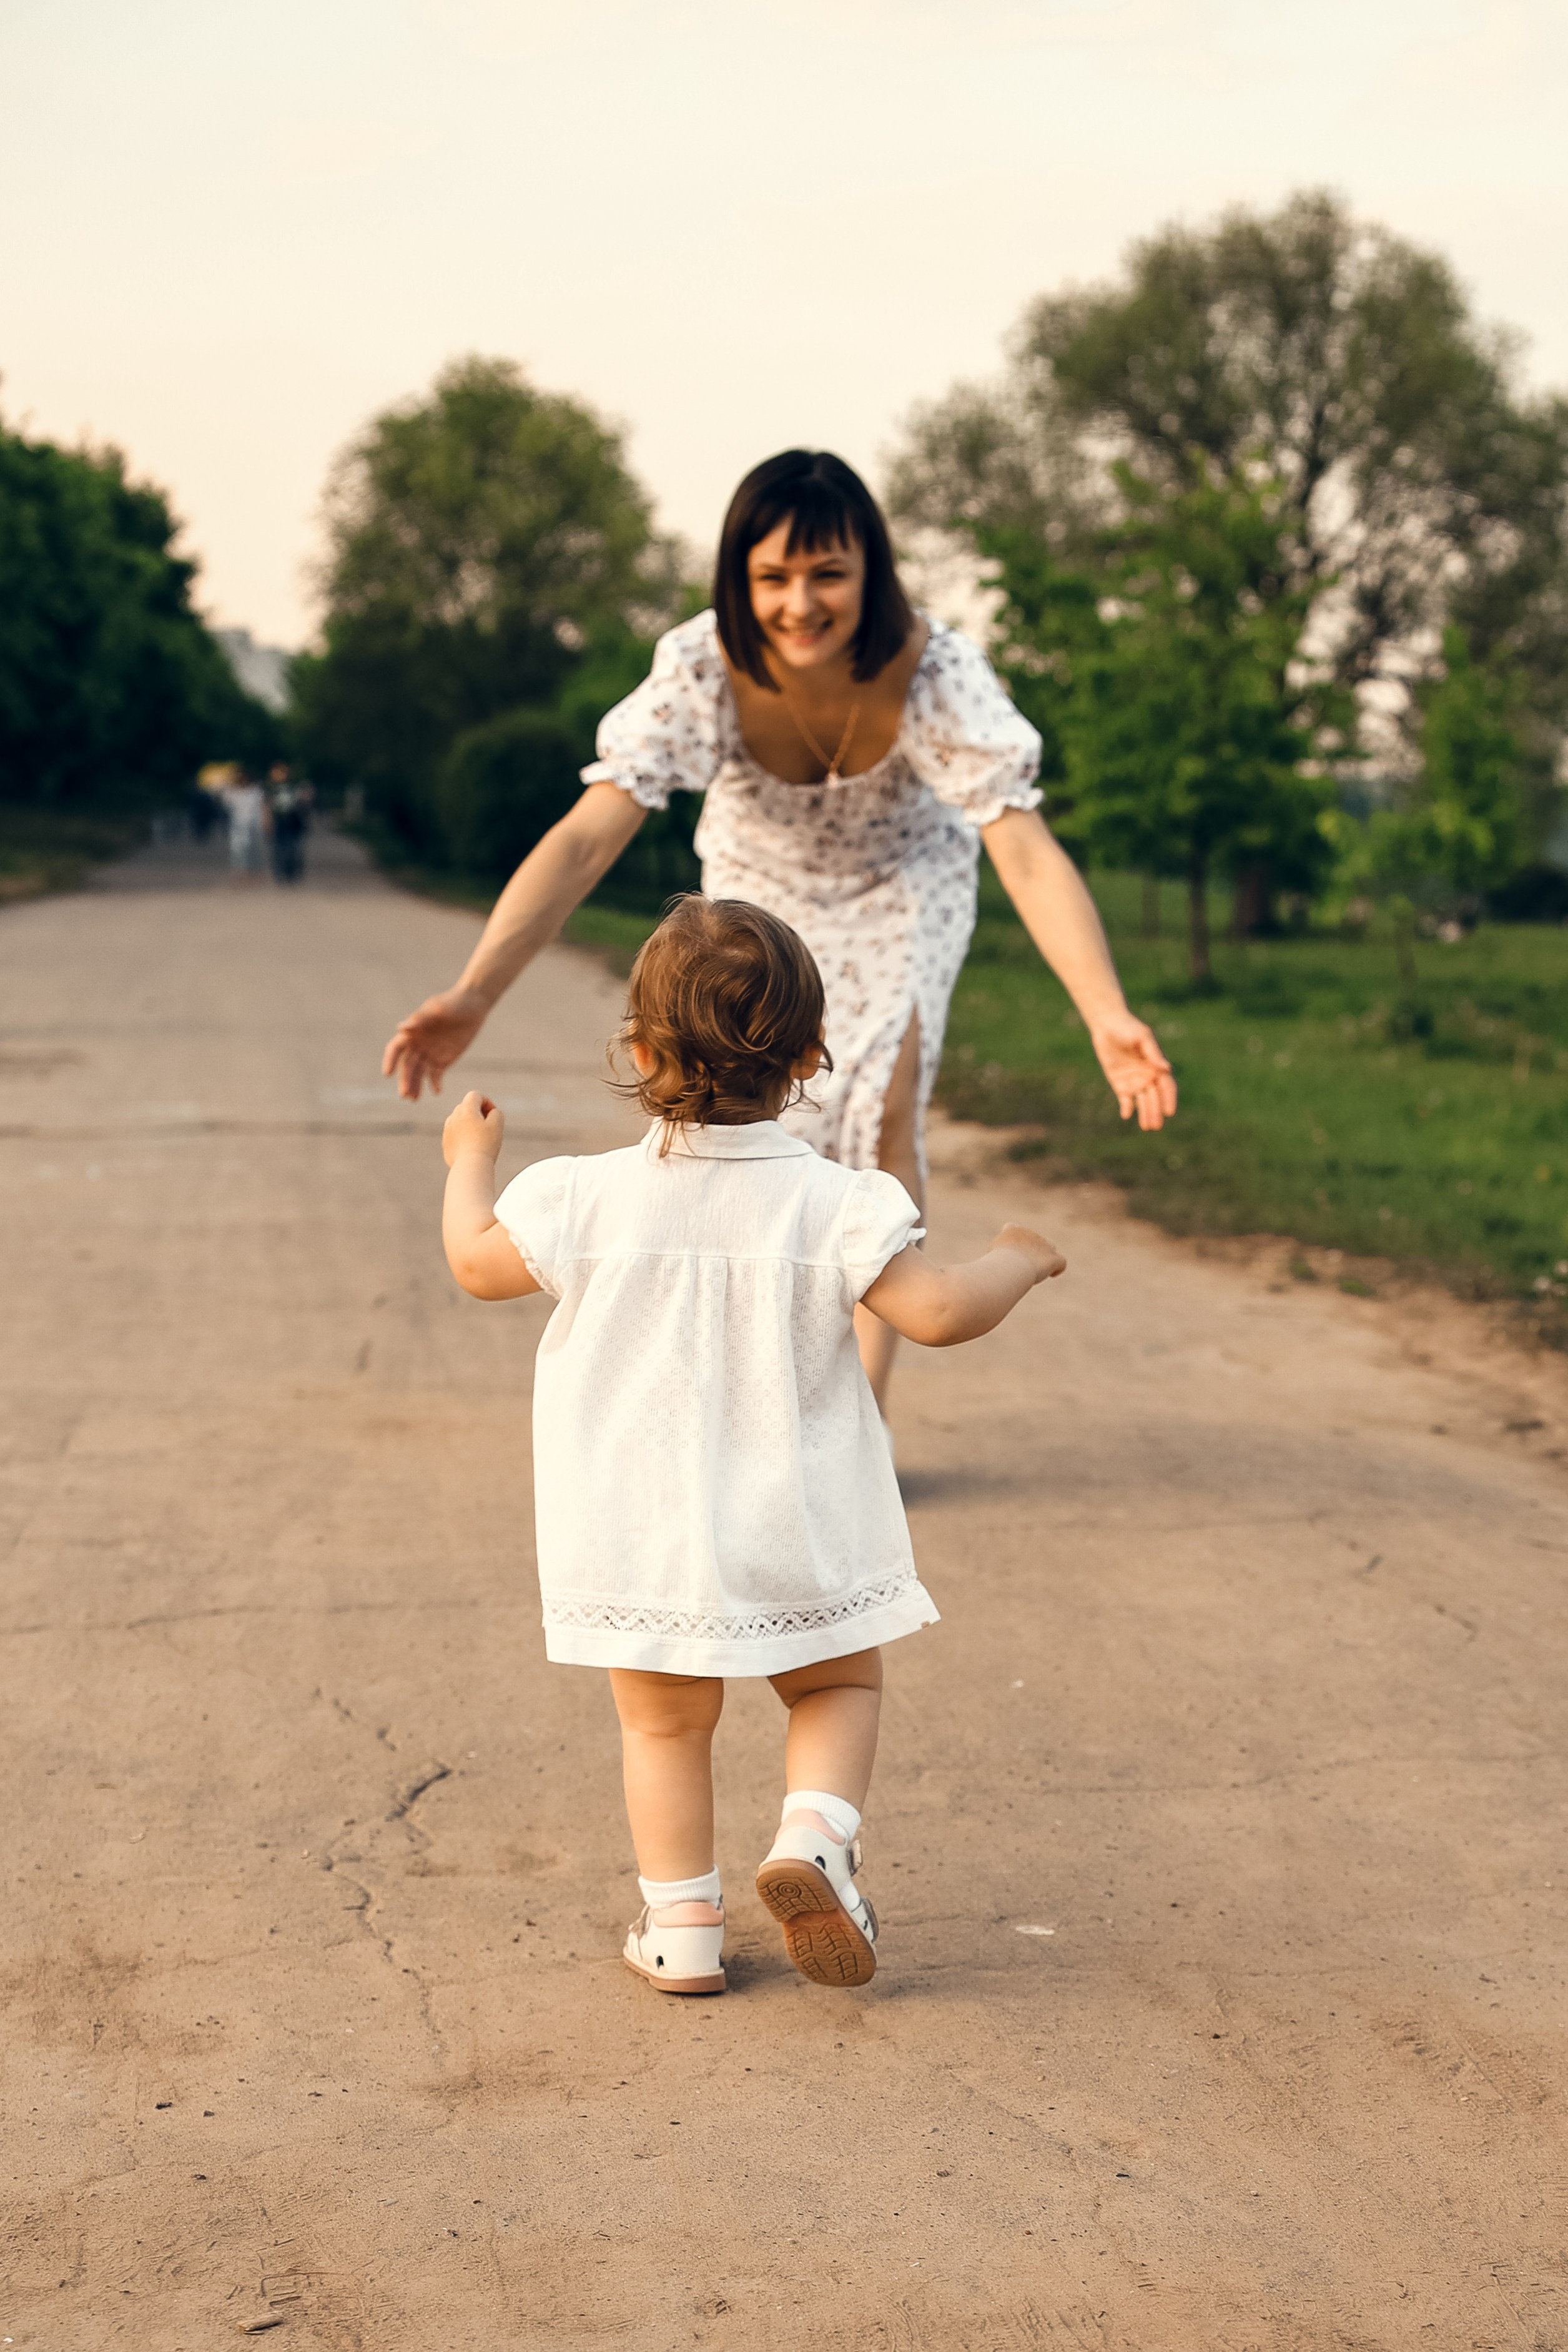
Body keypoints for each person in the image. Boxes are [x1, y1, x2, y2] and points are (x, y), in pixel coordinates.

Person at [387, 448, 1174, 1413]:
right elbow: (588, 840)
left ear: (869, 573)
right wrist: (475, 991)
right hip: (762, 882)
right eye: (771, 577)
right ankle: (738, 1363)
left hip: (903, 885)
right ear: (738, 578)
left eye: (826, 573)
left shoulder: (936, 673)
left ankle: (857, 1407)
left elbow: (1021, 849)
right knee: (744, 1100)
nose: (798, 603)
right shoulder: (702, 668)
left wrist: (1103, 1011)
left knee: (877, 1109)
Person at [439, 896, 1066, 1995]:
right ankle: (814, 1840)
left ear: (638, 1050)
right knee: (835, 1687)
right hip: (797, 1513)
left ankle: (681, 1923)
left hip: (637, 1529)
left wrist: (467, 1160)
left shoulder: (579, 1195)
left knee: (664, 1724)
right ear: (810, 1056)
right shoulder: (837, 1204)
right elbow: (941, 1314)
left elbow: (477, 1264)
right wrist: (1019, 1254)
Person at [222, 768, 269, 883]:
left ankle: (255, 873)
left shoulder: (256, 791)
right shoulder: (233, 792)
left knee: (254, 850)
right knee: (238, 850)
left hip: (254, 824)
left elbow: (262, 807)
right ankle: (240, 872)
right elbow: (225, 802)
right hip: (238, 825)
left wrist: (266, 821)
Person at [267, 765, 308, 885]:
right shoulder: (271, 788)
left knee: (293, 849)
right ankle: (280, 873)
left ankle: (291, 873)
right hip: (279, 821)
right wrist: (268, 821)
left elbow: (302, 803)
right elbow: (267, 805)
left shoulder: (294, 787)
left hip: (293, 822)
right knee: (278, 849)